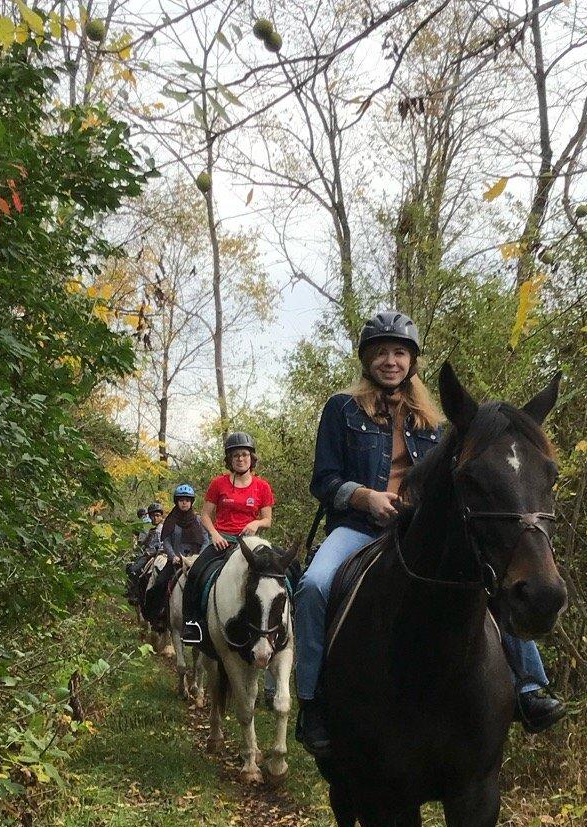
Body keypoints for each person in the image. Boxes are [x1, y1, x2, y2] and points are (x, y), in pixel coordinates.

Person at [294, 310, 564, 757]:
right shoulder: (341, 408)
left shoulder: (435, 423)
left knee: (492, 574)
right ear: (367, 361)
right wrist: (365, 497)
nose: (390, 361)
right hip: (359, 528)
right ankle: (312, 702)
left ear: (412, 361)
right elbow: (323, 479)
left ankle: (530, 686)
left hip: (416, 530)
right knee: (314, 585)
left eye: (399, 352)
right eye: (381, 352)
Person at [181, 433, 276, 643]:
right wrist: (214, 534)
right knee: (195, 573)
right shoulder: (218, 484)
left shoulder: (262, 487)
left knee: (285, 570)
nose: (240, 459)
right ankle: (191, 624)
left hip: (251, 543)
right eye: (235, 456)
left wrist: (256, 523)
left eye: (244, 455)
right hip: (223, 540)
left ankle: (288, 621)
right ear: (229, 460)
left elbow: (267, 520)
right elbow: (205, 515)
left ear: (251, 458)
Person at [161, 483, 210, 557]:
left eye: (187, 500)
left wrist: (199, 557)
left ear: (191, 502)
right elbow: (166, 541)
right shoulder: (170, 520)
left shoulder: (198, 520)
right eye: (181, 500)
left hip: (195, 560)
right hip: (175, 560)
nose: (184, 503)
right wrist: (173, 556)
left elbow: (206, 541)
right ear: (177, 502)